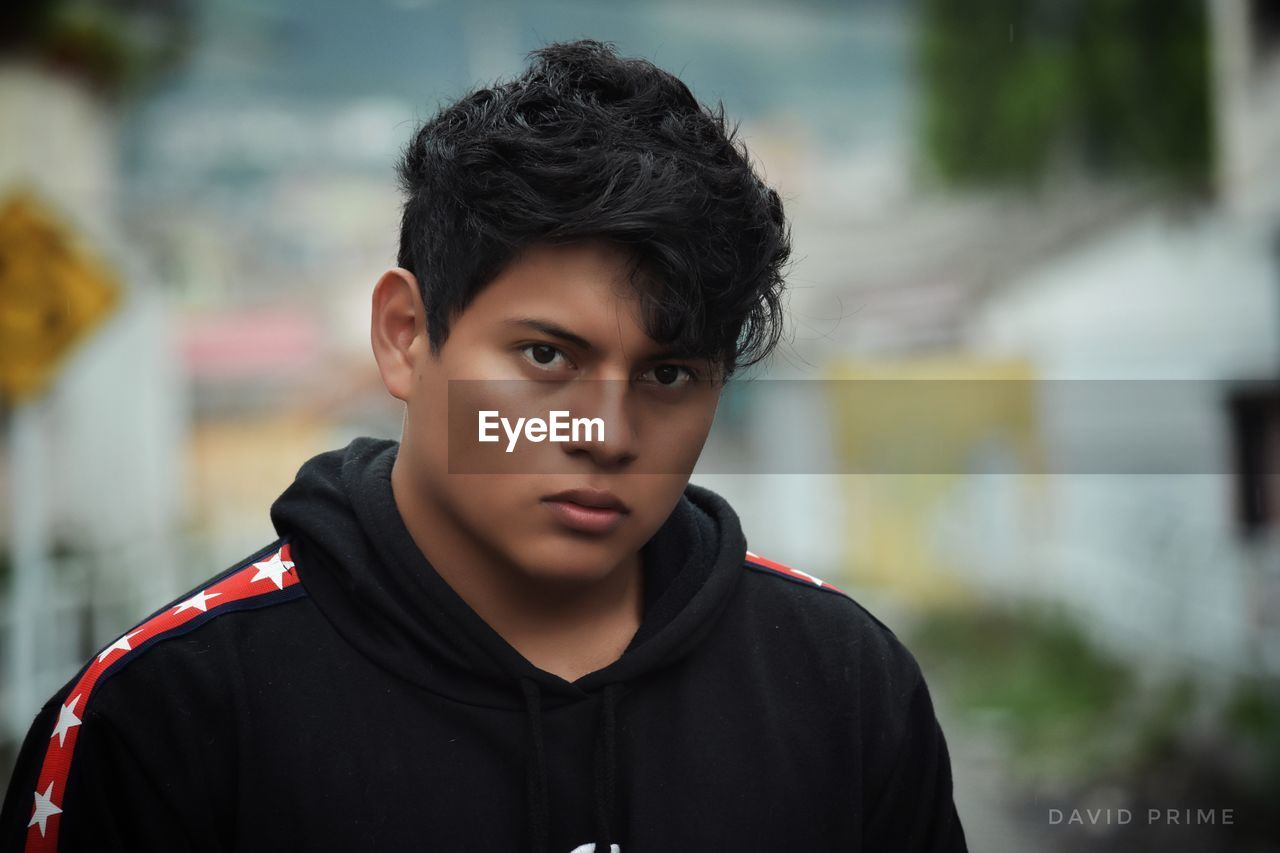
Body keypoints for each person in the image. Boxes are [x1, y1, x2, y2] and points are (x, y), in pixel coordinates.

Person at [0, 39, 967, 853]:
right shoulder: (167, 714)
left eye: (670, 374)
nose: (608, 434)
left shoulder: (841, 685)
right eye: (547, 355)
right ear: (407, 336)